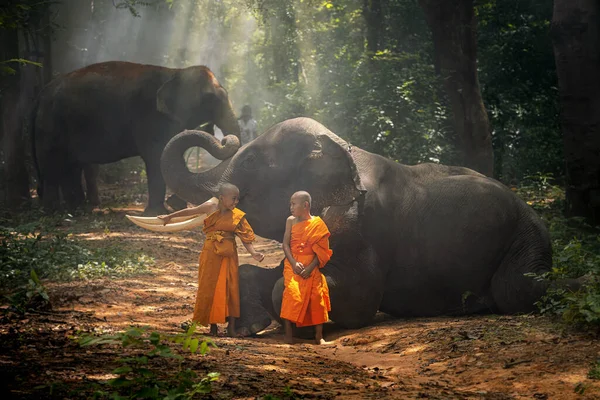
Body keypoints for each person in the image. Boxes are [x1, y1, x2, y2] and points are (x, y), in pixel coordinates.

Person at [158, 183, 265, 337]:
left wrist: (254, 253)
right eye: (233, 198)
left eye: (238, 199)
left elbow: (245, 238)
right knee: (209, 287)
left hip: (228, 255)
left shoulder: (237, 215)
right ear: (222, 198)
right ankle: (213, 327)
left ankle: (232, 328)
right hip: (210, 253)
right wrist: (169, 216)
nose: (236, 202)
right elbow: (190, 211)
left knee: (231, 288)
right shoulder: (210, 206)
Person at [280, 191, 333, 345]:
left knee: (317, 296)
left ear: (306, 205)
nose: (290, 207)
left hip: (311, 266)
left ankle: (319, 337)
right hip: (293, 264)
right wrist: (293, 263)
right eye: (290, 204)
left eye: (293, 204)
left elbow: (322, 250)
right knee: (292, 294)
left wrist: (310, 268)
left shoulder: (318, 224)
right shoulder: (290, 221)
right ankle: (288, 335)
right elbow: (285, 244)